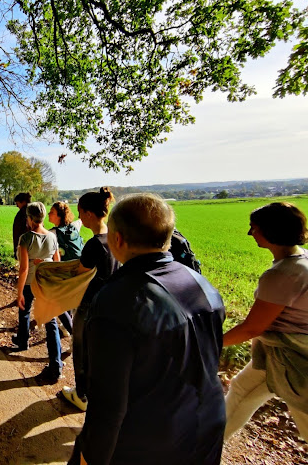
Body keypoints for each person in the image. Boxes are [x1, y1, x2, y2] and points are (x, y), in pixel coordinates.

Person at [71, 193, 225, 465]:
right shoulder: (201, 284)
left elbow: (107, 405)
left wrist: (89, 457)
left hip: (144, 444)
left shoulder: (116, 301)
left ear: (117, 240)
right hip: (206, 429)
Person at [223, 202, 308, 441]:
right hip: (282, 354)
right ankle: (207, 447)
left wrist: (210, 342)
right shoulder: (302, 260)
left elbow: (252, 328)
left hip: (290, 358)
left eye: (254, 228)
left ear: (272, 231)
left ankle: (205, 449)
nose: (251, 233)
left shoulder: (281, 275)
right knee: (241, 391)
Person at [60, 188, 120, 412]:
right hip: (109, 304)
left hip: (90, 305)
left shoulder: (94, 244)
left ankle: (81, 394)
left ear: (90, 214)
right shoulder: (114, 237)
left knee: (81, 348)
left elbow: (79, 274)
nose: (78, 217)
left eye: (80, 212)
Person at [14, 202, 63, 383]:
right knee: (51, 323)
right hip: (46, 283)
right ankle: (56, 364)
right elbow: (57, 263)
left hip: (29, 283)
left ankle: (23, 341)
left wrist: (19, 293)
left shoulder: (25, 239)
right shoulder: (52, 237)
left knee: (24, 311)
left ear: (28, 218)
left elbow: (23, 269)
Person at [48, 201, 84, 336]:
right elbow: (80, 221)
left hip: (64, 272)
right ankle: (66, 328)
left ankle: (74, 334)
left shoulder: (52, 233)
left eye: (52, 212)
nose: (49, 215)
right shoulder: (74, 227)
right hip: (79, 270)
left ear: (59, 216)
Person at [13, 192, 32, 259]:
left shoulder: (22, 214)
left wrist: (16, 250)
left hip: (24, 246)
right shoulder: (34, 211)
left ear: (23, 202)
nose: (17, 206)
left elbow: (17, 233)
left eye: (17, 203)